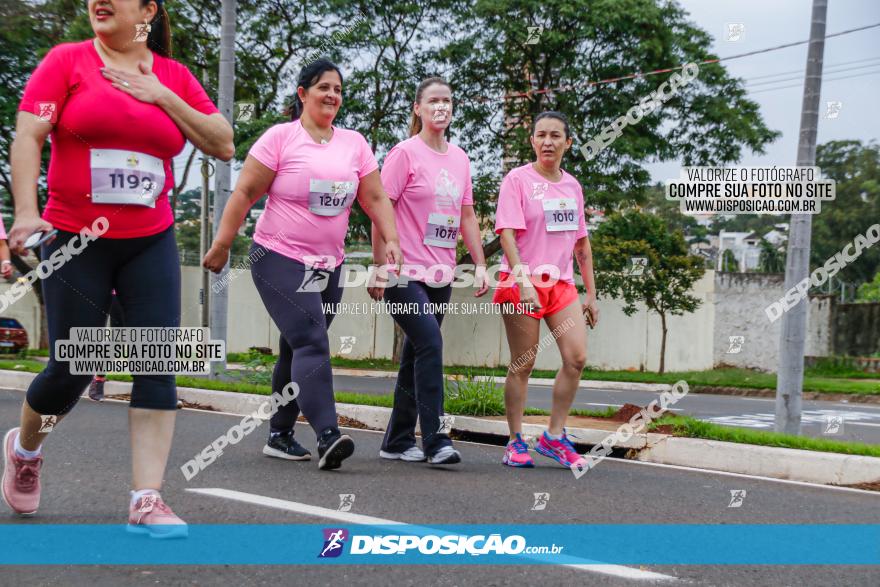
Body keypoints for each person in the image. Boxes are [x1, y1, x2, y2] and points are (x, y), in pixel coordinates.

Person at [2, 0, 233, 538]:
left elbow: (222, 142)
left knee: (156, 360)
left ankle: (146, 498)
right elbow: (29, 136)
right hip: (76, 239)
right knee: (73, 367)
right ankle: (25, 447)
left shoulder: (172, 75)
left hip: (149, 240)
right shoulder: (67, 61)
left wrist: (162, 95)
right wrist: (27, 209)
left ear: (148, 9)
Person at [203, 59, 402, 471]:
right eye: (323, 88)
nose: (332, 95)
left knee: (296, 346)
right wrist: (222, 244)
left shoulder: (354, 144)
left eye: (338, 90)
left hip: (329, 264)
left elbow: (376, 199)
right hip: (277, 256)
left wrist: (394, 240)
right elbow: (244, 193)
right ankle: (328, 435)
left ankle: (279, 434)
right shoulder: (280, 138)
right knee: (313, 340)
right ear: (302, 94)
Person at [368, 77, 488, 465]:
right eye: (434, 100)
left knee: (416, 353)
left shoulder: (461, 158)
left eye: (448, 100)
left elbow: (466, 215)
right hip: (402, 271)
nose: (442, 106)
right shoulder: (404, 153)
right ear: (418, 108)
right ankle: (436, 440)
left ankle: (397, 440)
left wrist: (481, 264)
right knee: (431, 344)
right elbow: (378, 208)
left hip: (441, 274)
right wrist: (378, 266)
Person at [493, 111, 599, 469]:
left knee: (577, 358)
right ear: (532, 141)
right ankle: (514, 441)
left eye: (556, 136)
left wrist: (591, 293)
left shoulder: (572, 186)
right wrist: (523, 282)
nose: (548, 142)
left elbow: (581, 244)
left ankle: (554, 436)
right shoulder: (517, 180)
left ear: (568, 143)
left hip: (562, 284)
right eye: (541, 135)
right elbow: (506, 232)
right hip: (522, 281)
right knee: (524, 363)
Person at [88, 290, 125, 401]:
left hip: (145, 293)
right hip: (120, 294)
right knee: (118, 340)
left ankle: (160, 390)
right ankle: (98, 380)